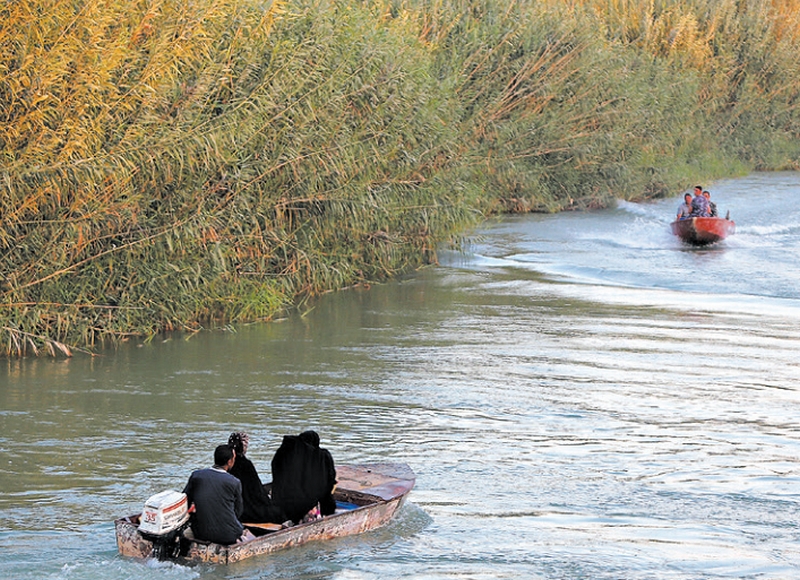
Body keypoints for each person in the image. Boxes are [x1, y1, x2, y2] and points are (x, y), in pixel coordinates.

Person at [182, 444, 254, 544]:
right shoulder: (234, 482)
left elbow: (185, 501)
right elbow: (238, 511)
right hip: (228, 535)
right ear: (230, 461)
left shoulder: (196, 475)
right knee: (248, 535)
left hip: (201, 533)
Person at [270, 430, 337, 523]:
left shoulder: (284, 451)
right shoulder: (321, 456)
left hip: (279, 502)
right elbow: (329, 481)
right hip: (303, 506)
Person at [227, 432, 284, 524]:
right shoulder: (246, 464)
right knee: (277, 513)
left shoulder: (225, 463)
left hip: (233, 507)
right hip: (247, 510)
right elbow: (257, 491)